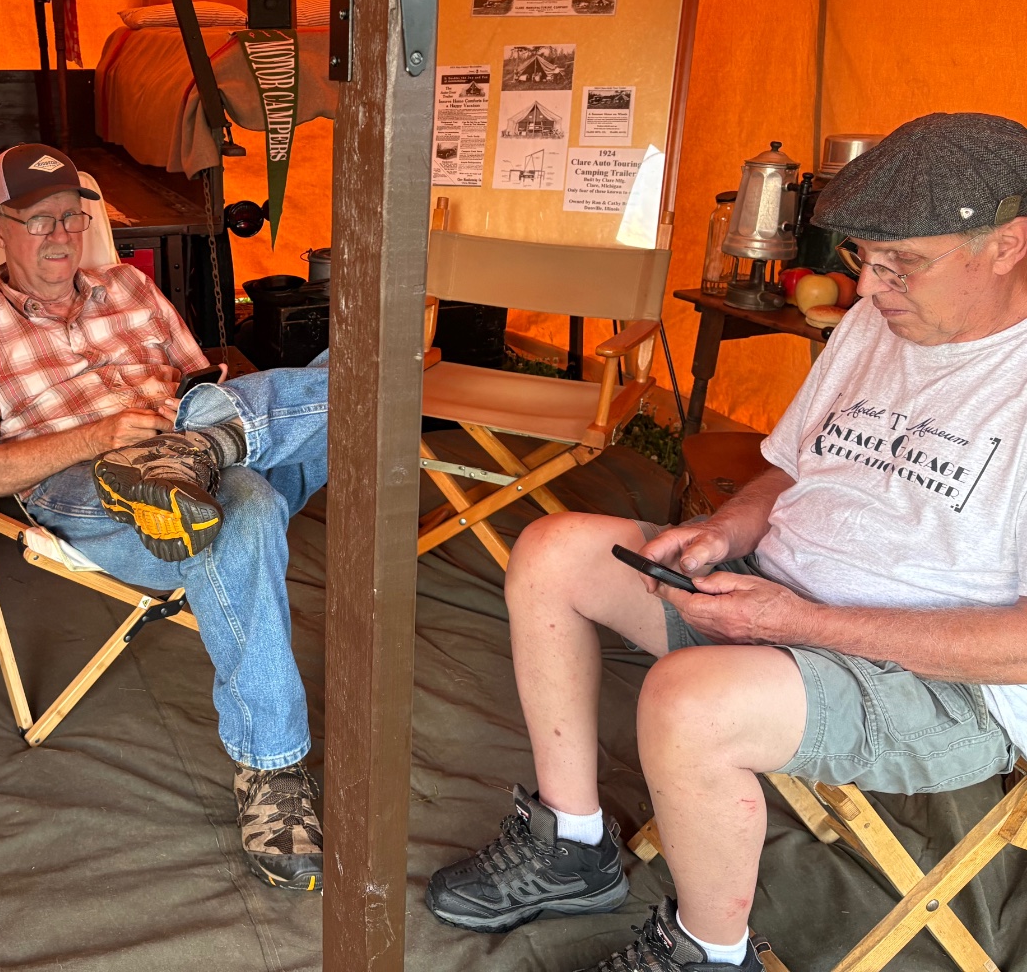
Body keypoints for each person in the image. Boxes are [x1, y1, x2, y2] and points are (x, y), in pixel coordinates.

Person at [427, 112, 1027, 969]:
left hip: (943, 682)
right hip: (778, 595)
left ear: (1008, 244)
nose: (868, 287)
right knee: (554, 551)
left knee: (689, 700)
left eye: (903, 262)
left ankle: (709, 953)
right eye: (862, 257)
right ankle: (573, 843)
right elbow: (793, 468)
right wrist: (722, 529)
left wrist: (799, 623)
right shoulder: (877, 324)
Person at [0, 143, 328, 891]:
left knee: (301, 406)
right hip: (86, 487)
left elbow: (202, 385)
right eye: (38, 220)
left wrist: (199, 428)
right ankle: (273, 769)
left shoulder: (132, 286)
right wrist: (101, 436)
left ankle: (204, 451)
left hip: (188, 457)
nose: (61, 235)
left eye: (72, 217)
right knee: (271, 483)